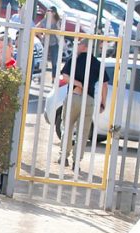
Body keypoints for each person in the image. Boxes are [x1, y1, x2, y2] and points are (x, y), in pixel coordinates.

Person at [58, 39, 110, 167]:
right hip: (88, 99)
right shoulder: (96, 63)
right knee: (83, 132)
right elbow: (104, 84)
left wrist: (77, 83)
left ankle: (64, 156)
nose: (76, 46)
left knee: (67, 127)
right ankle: (76, 161)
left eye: (79, 44)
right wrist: (103, 102)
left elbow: (64, 76)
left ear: (85, 47)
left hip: (73, 97)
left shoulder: (74, 60)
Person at [36, 6, 62, 79]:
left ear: (54, 13)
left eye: (50, 11)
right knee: (42, 60)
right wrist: (41, 36)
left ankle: (54, 78)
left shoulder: (57, 21)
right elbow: (36, 28)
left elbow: (60, 31)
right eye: (47, 11)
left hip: (54, 43)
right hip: (45, 43)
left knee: (54, 62)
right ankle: (40, 77)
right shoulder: (44, 20)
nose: (48, 12)